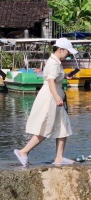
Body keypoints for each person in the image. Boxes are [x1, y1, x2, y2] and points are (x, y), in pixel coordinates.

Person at [14, 38, 79, 167]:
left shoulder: (56, 62)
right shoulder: (54, 63)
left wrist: (66, 76)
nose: (68, 55)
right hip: (51, 98)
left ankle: (59, 158)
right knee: (45, 128)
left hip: (55, 96)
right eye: (68, 52)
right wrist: (56, 97)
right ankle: (23, 152)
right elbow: (50, 81)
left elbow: (55, 77)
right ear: (60, 50)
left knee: (63, 127)